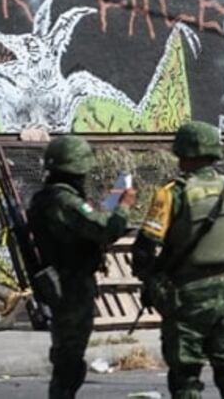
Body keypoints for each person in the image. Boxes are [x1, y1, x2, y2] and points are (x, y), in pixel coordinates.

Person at [131, 121, 224, 399]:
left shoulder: (172, 194)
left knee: (186, 379)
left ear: (183, 154)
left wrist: (153, 282)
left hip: (186, 299)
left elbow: (145, 249)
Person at [27, 136, 137, 399]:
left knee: (69, 358)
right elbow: (105, 229)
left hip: (68, 282)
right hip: (70, 285)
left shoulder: (53, 198)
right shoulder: (63, 201)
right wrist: (123, 207)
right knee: (70, 360)